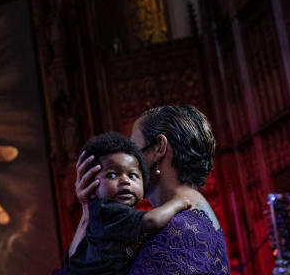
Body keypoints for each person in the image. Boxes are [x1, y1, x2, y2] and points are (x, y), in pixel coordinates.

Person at [75, 105, 229, 274]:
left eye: (133, 148)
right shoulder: (190, 212)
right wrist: (88, 215)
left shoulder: (177, 228)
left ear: (158, 147)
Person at [67, 132, 190, 274]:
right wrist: (178, 202)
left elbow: (74, 257)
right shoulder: (108, 209)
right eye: (112, 175)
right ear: (92, 185)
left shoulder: (98, 212)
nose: (125, 180)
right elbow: (152, 220)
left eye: (132, 175)